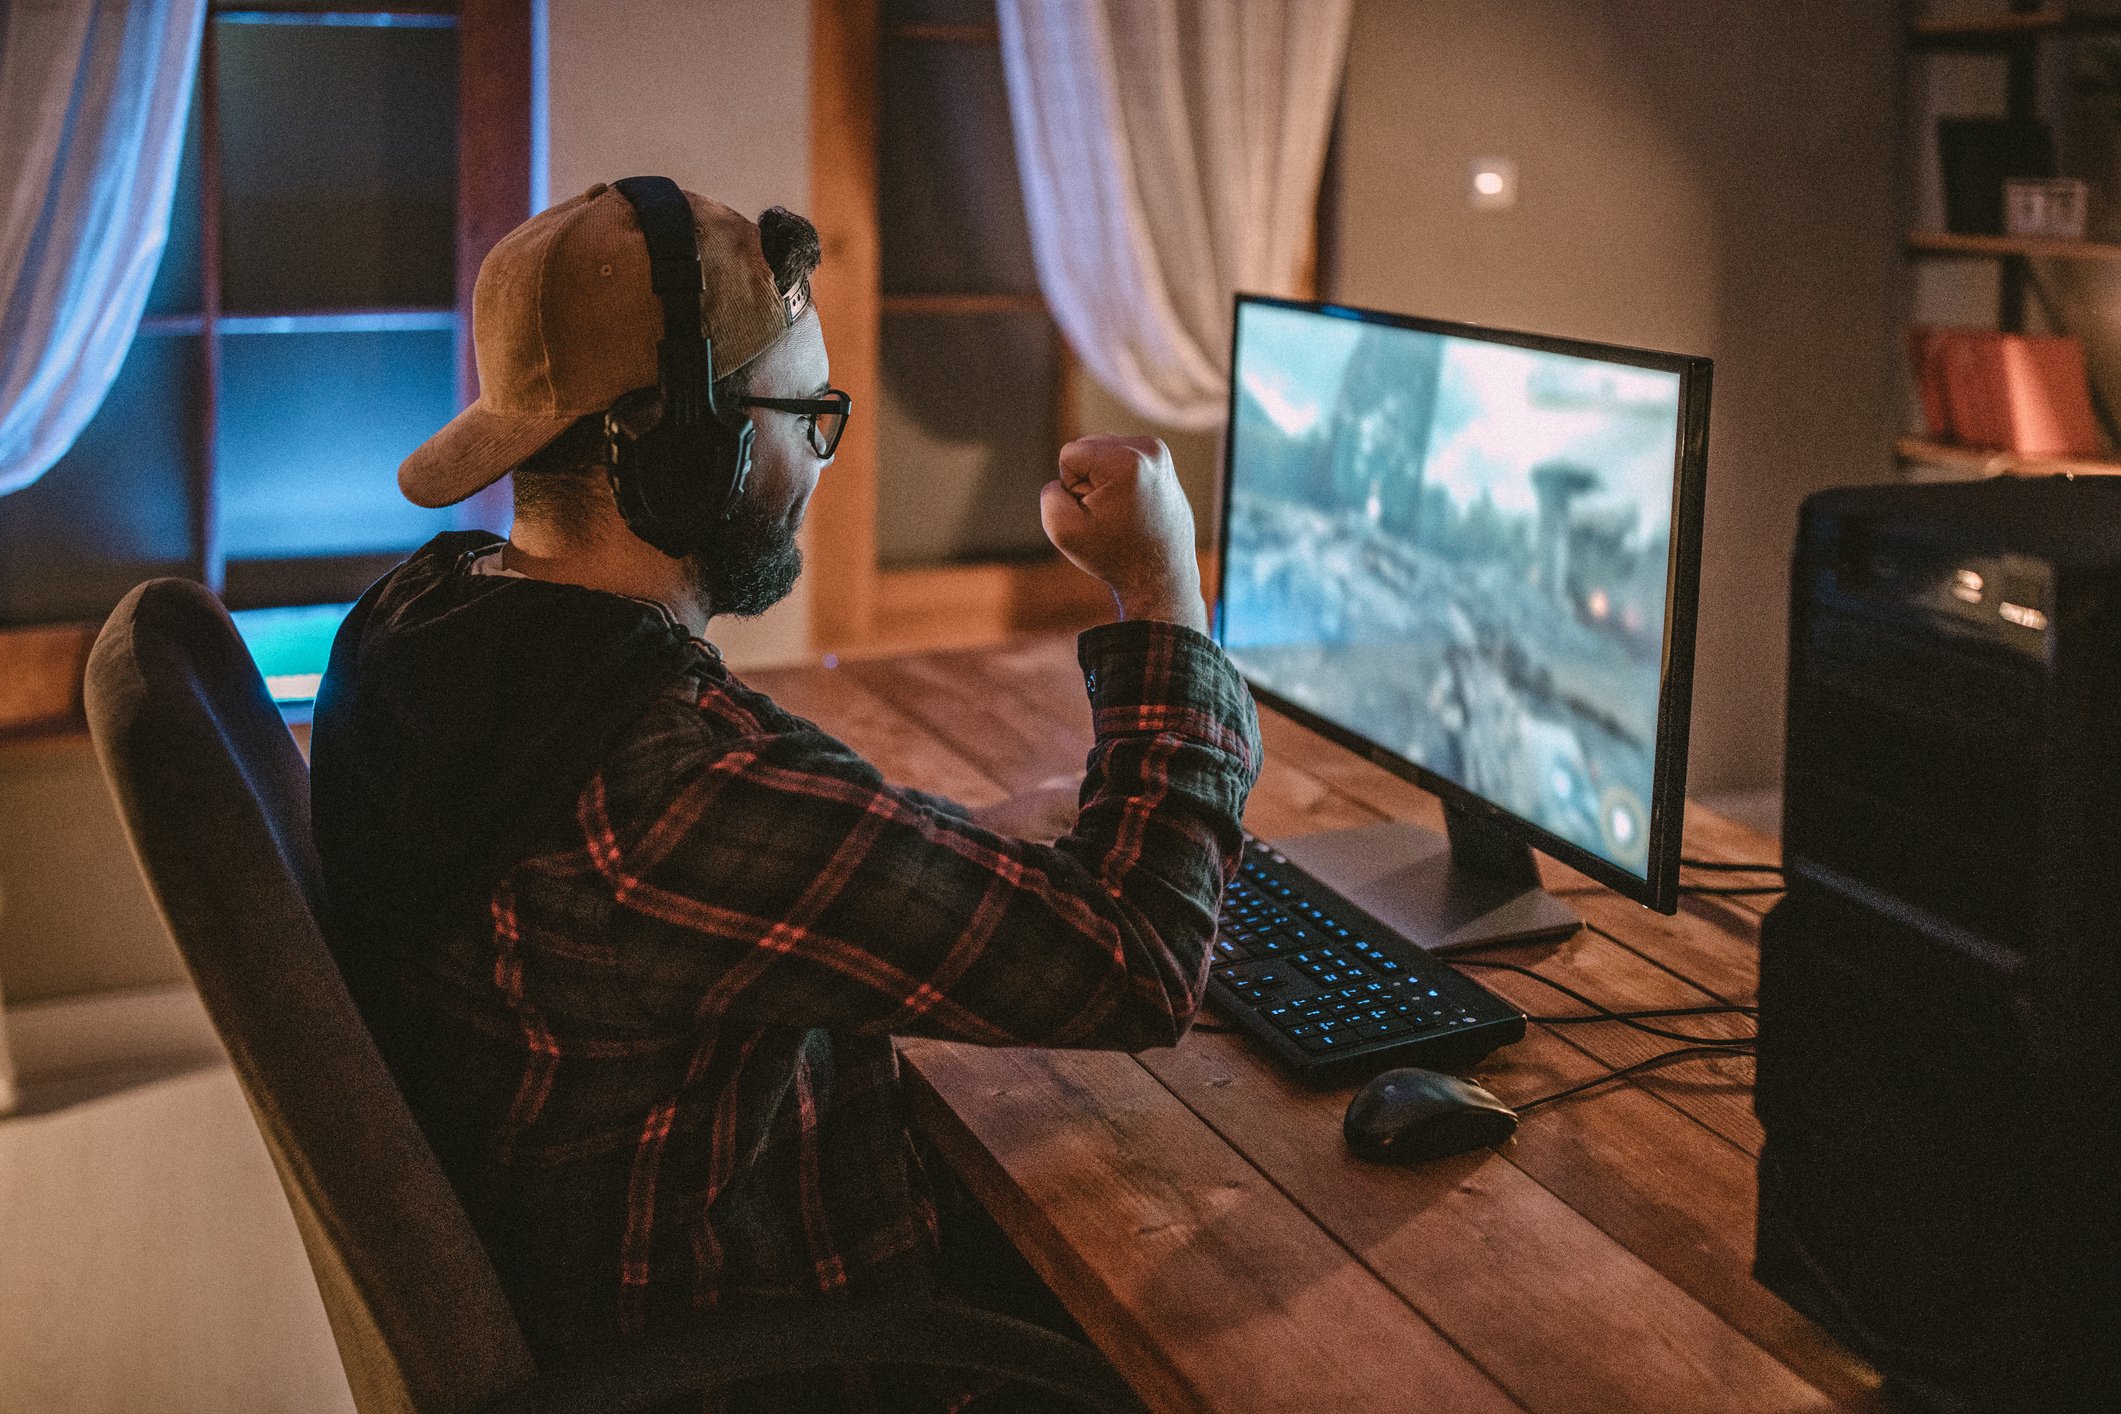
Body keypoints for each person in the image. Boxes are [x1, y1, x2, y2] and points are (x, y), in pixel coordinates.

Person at [309, 180, 1260, 1410]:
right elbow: (1137, 958)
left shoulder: (424, 626)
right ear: (684, 449)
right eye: (806, 415)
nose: (818, 460)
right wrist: (1164, 590)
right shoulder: (664, 791)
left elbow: (746, 853)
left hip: (613, 1300)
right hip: (779, 1361)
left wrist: (945, 844)